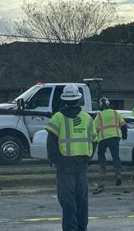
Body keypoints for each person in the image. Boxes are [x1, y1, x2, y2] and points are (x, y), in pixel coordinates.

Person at [45, 84, 96, 231]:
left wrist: (55, 160)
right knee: (82, 202)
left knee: (68, 203)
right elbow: (94, 140)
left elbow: (51, 143)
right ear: (78, 99)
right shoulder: (87, 118)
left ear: (64, 100)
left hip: (64, 166)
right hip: (81, 165)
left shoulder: (57, 118)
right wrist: (88, 156)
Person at [93, 97, 128, 192]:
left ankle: (103, 170)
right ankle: (118, 175)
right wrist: (124, 134)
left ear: (100, 106)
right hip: (115, 137)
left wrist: (94, 139)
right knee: (115, 156)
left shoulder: (99, 115)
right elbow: (124, 125)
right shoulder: (115, 113)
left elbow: (94, 128)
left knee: (101, 153)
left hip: (103, 138)